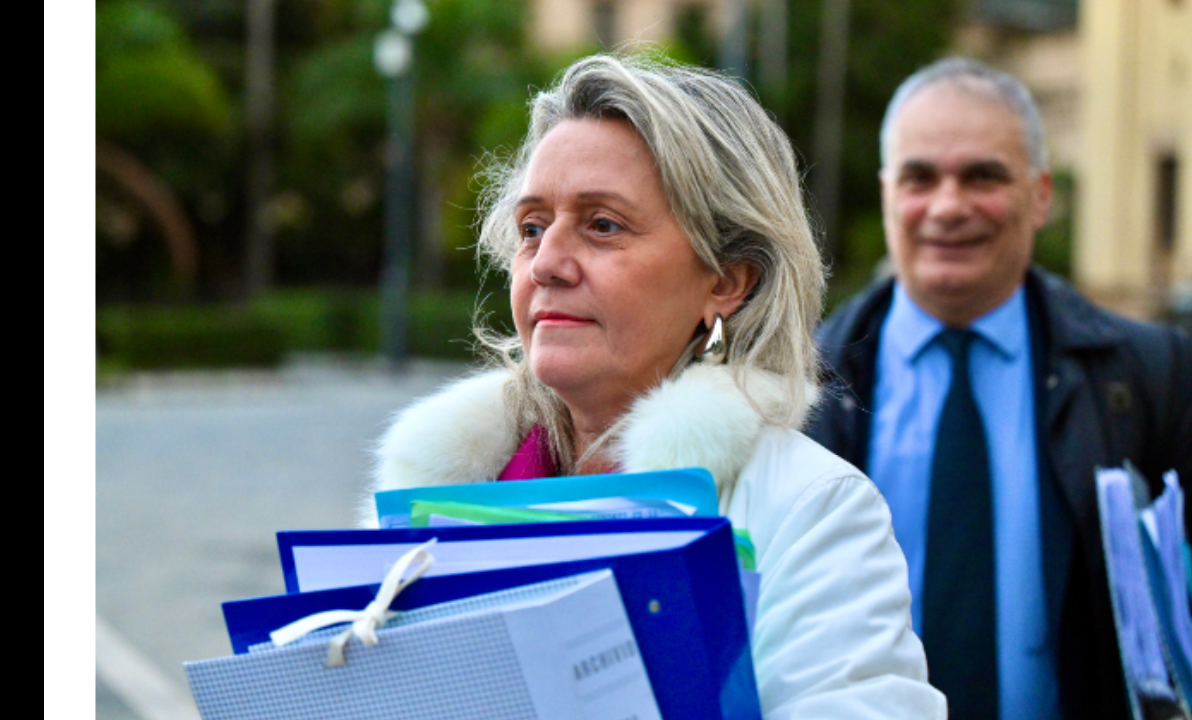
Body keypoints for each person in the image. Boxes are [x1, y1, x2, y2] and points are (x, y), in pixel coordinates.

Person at [360, 54, 947, 719]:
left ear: (727, 281)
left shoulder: (813, 509)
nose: (547, 263)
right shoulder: (429, 500)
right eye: (532, 228)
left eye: (602, 225)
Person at [806, 57, 1192, 720]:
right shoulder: (793, 389)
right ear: (887, 193)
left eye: (983, 176)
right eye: (920, 178)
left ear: (1041, 194)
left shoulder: (1147, 375)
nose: (948, 206)